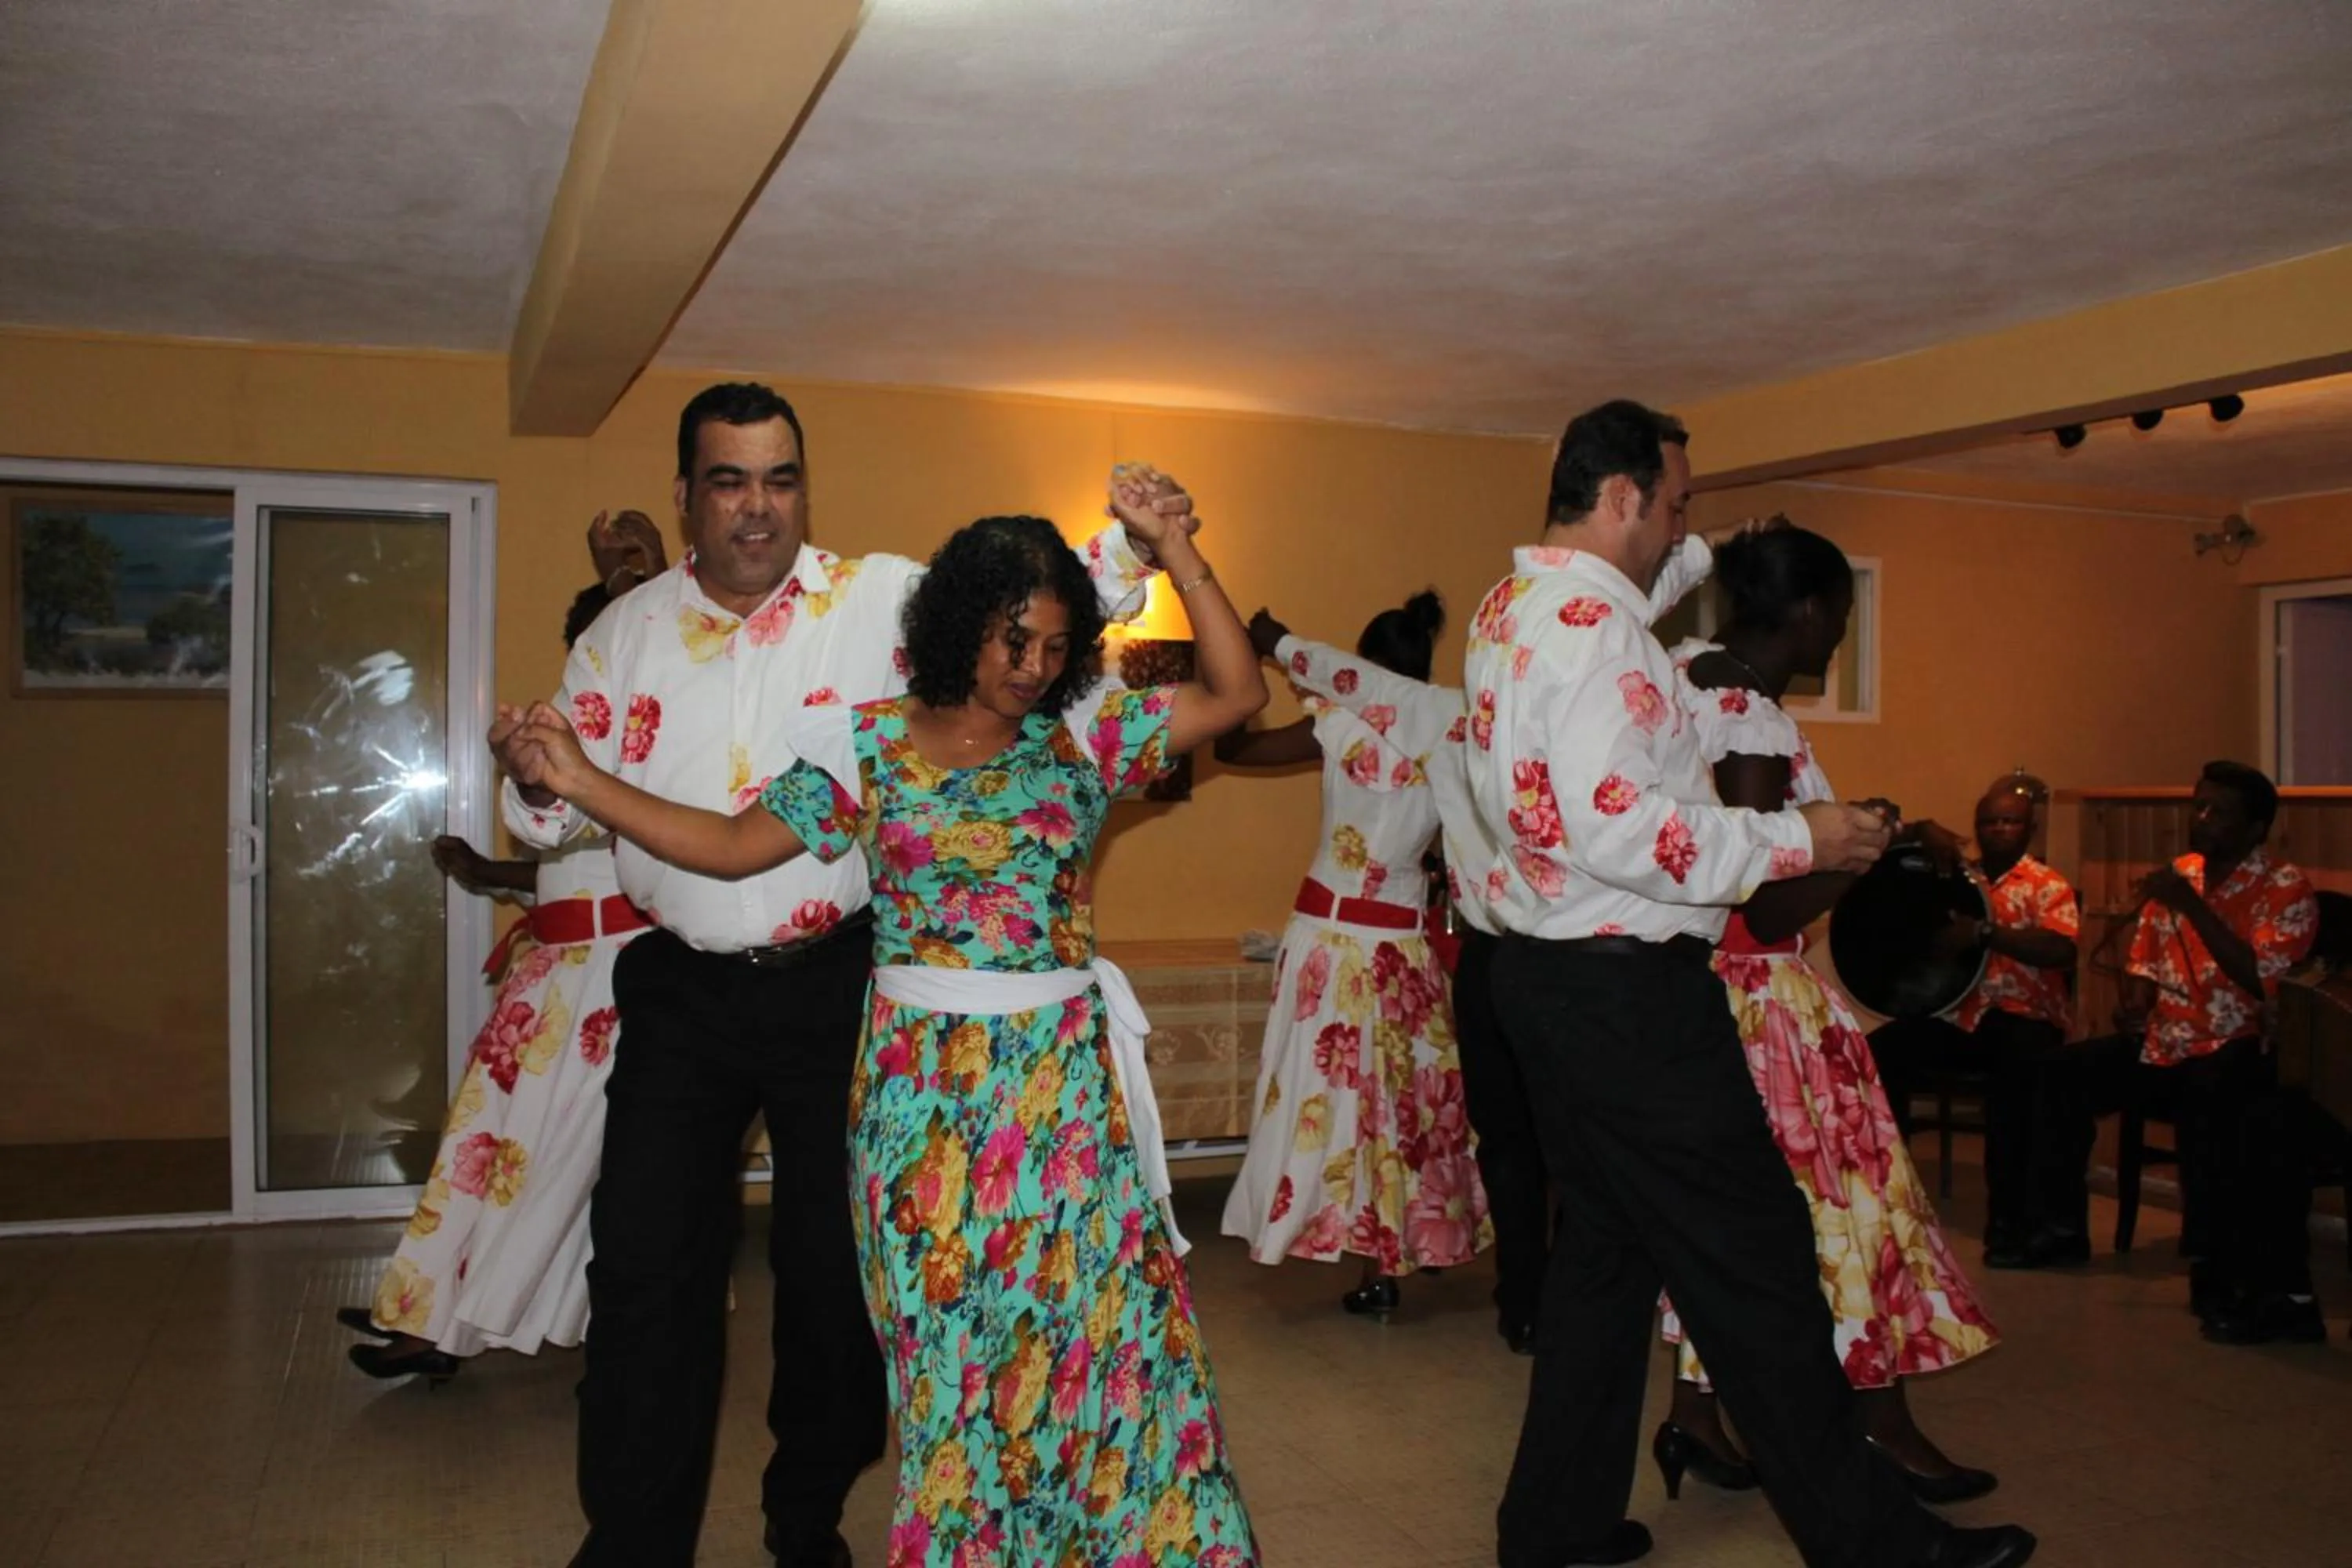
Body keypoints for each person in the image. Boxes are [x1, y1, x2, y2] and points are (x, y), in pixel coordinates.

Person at [491, 383, 1184, 1568]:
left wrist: (1138, 533)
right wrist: (538, 775)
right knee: (649, 1270)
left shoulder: (884, 601)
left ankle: (804, 1512)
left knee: (834, 1275)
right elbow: (546, 813)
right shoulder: (623, 634)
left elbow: (1038, 589)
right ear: (687, 497)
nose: (759, 508)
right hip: (683, 990)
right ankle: (633, 1540)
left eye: (781, 479)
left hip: (841, 989)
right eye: (729, 481)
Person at [1461, 398, 2032, 1568]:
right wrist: (1804, 841)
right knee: (1758, 1262)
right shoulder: (1597, 633)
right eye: (1675, 503)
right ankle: (1877, 1547)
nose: (1685, 526)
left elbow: (1649, 598)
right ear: (1622, 497)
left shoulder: (1516, 606)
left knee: (1606, 1264)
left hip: (1546, 979)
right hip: (1627, 990)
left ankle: (1555, 1528)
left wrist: (1720, 550)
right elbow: (1623, 832)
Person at [1233, 526, 1730, 1353]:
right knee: (1437, 1116)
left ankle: (1510, 1295)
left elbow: (1269, 721)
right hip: (1430, 944)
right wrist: (1701, 553)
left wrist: (1266, 645)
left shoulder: (1349, 723)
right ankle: (1526, 1279)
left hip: (1340, 938)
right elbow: (1628, 604)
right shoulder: (1466, 722)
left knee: (1384, 1114)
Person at [1656, 524, 1998, 1510]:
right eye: (1841, 616)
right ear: (1808, 613)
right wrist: (1865, 849)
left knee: (1746, 1220)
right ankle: (1879, 1423)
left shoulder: (1688, 673)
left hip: (1707, 992)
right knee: (1848, 1209)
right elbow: (1763, 896)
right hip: (1765, 1004)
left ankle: (1695, 1414)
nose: (1839, 636)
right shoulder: (1751, 718)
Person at [339, 517, 669, 1379]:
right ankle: (428, 1309)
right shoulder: (576, 734)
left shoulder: (656, 734)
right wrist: (493, 871)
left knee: (563, 1171)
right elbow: (571, 859)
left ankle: (466, 1326)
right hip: (554, 975)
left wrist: (636, 574)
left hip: (611, 981)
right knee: (484, 1150)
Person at [1213, 590, 1492, 1321]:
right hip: (1401, 947)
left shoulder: (1336, 726)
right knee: (1400, 1111)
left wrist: (1245, 675)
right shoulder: (1449, 735)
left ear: (1361, 668)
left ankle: (1320, 1232)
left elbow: (1234, 747)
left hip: (1328, 941)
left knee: (1323, 1105)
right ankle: (1393, 1256)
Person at [2081, 762, 2318, 1328]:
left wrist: (2192, 906)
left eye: (2219, 812)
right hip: (2166, 1042)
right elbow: (2143, 960)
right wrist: (2134, 1001)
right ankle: (2046, 1229)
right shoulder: (2179, 874)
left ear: (2257, 828)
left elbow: (2260, 976)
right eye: (2199, 805)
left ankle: (2222, 1270)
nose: (2201, 819)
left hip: (2239, 1046)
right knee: (2051, 1077)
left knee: (2218, 1102)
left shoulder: (2285, 888)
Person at [1869, 777, 2085, 1269]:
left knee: (2019, 1080)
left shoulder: (2046, 884)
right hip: (1962, 1019)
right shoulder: (1958, 879)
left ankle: (2011, 1229)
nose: (2000, 829)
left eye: (2010, 821)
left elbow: (2062, 948)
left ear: (2029, 828)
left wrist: (1986, 934)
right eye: (1990, 821)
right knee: (1884, 1049)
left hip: (2027, 1020)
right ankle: (1888, 1198)